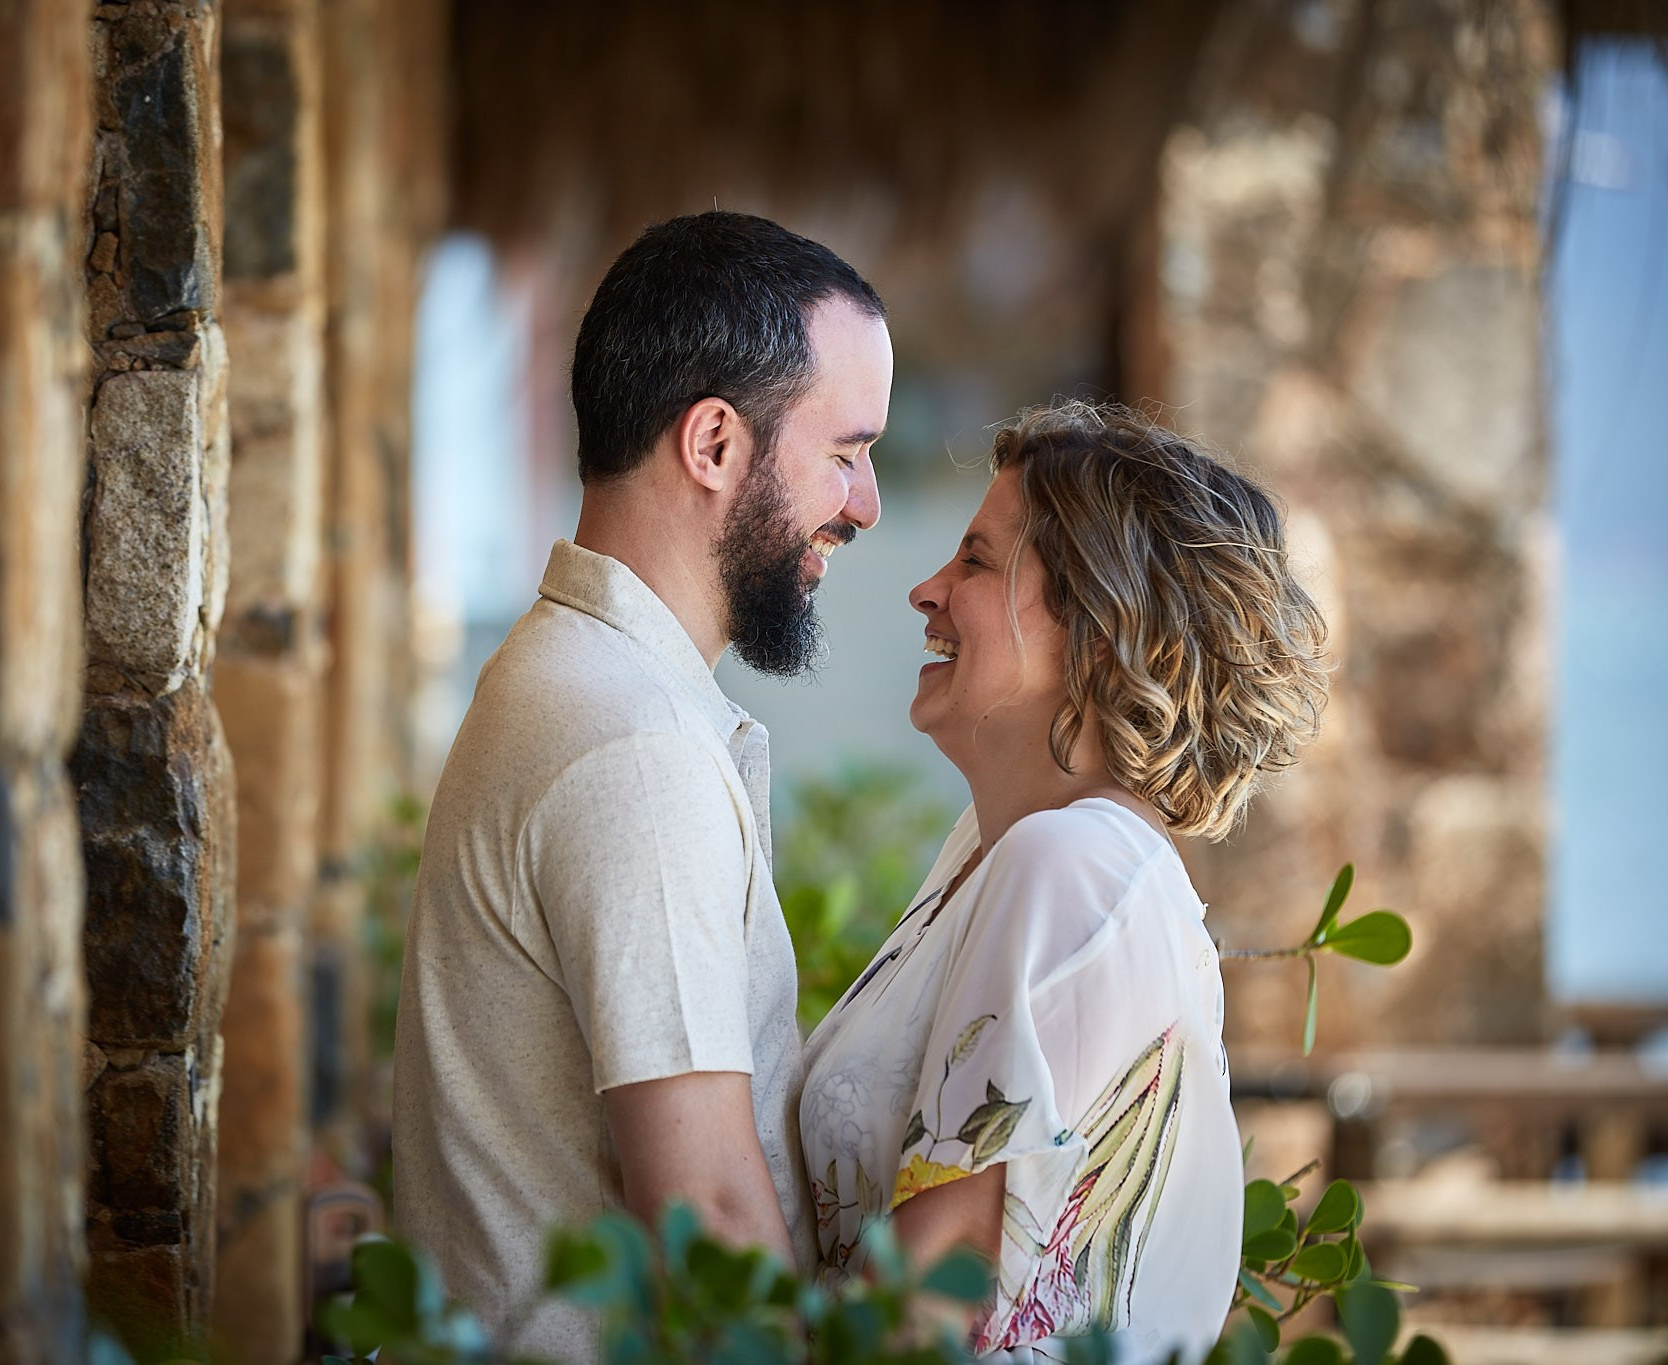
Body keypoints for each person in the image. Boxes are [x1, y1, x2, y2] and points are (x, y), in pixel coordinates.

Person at [392, 211, 892, 1360]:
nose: (861, 505)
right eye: (844, 453)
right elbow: (708, 1215)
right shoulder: (631, 743)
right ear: (713, 445)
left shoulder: (568, 678)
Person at [800, 401, 1330, 1362]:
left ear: (1098, 628)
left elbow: (931, 1297)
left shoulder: (1074, 868)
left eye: (975, 561)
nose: (925, 590)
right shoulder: (1007, 854)